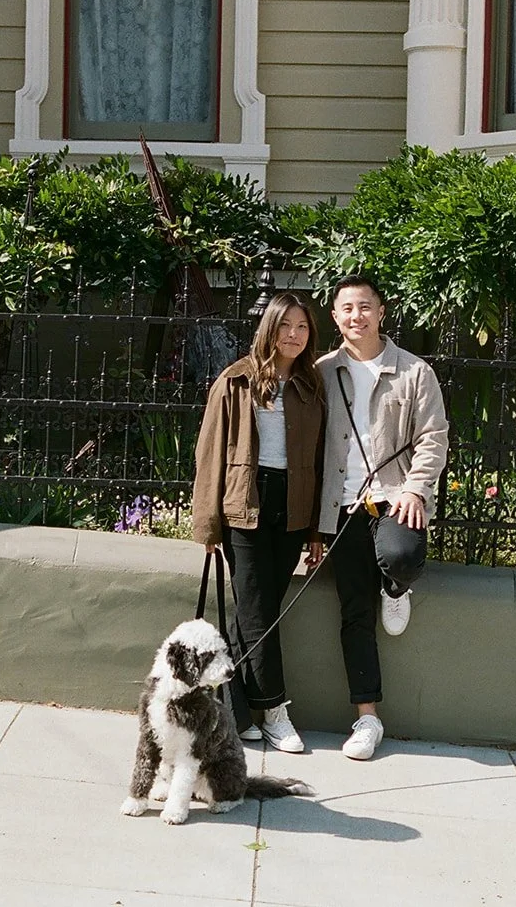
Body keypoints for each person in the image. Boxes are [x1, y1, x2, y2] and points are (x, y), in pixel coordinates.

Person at [308, 274, 449, 760]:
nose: (357, 316)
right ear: (335, 317)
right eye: (347, 308)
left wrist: (415, 487)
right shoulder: (322, 372)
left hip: (394, 496)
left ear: (381, 312)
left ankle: (396, 588)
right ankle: (367, 718)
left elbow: (434, 437)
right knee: (354, 611)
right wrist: (314, 526)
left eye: (365, 306)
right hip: (342, 506)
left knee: (402, 555)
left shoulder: (414, 371)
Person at [191, 291, 326, 754]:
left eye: (302, 327)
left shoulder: (311, 386)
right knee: (257, 609)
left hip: (293, 506)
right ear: (269, 328)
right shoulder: (235, 382)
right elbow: (209, 454)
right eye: (285, 325)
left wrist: (315, 530)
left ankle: (234, 711)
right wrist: (208, 526)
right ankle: (274, 712)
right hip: (244, 505)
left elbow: (319, 460)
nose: (293, 335)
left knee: (258, 610)